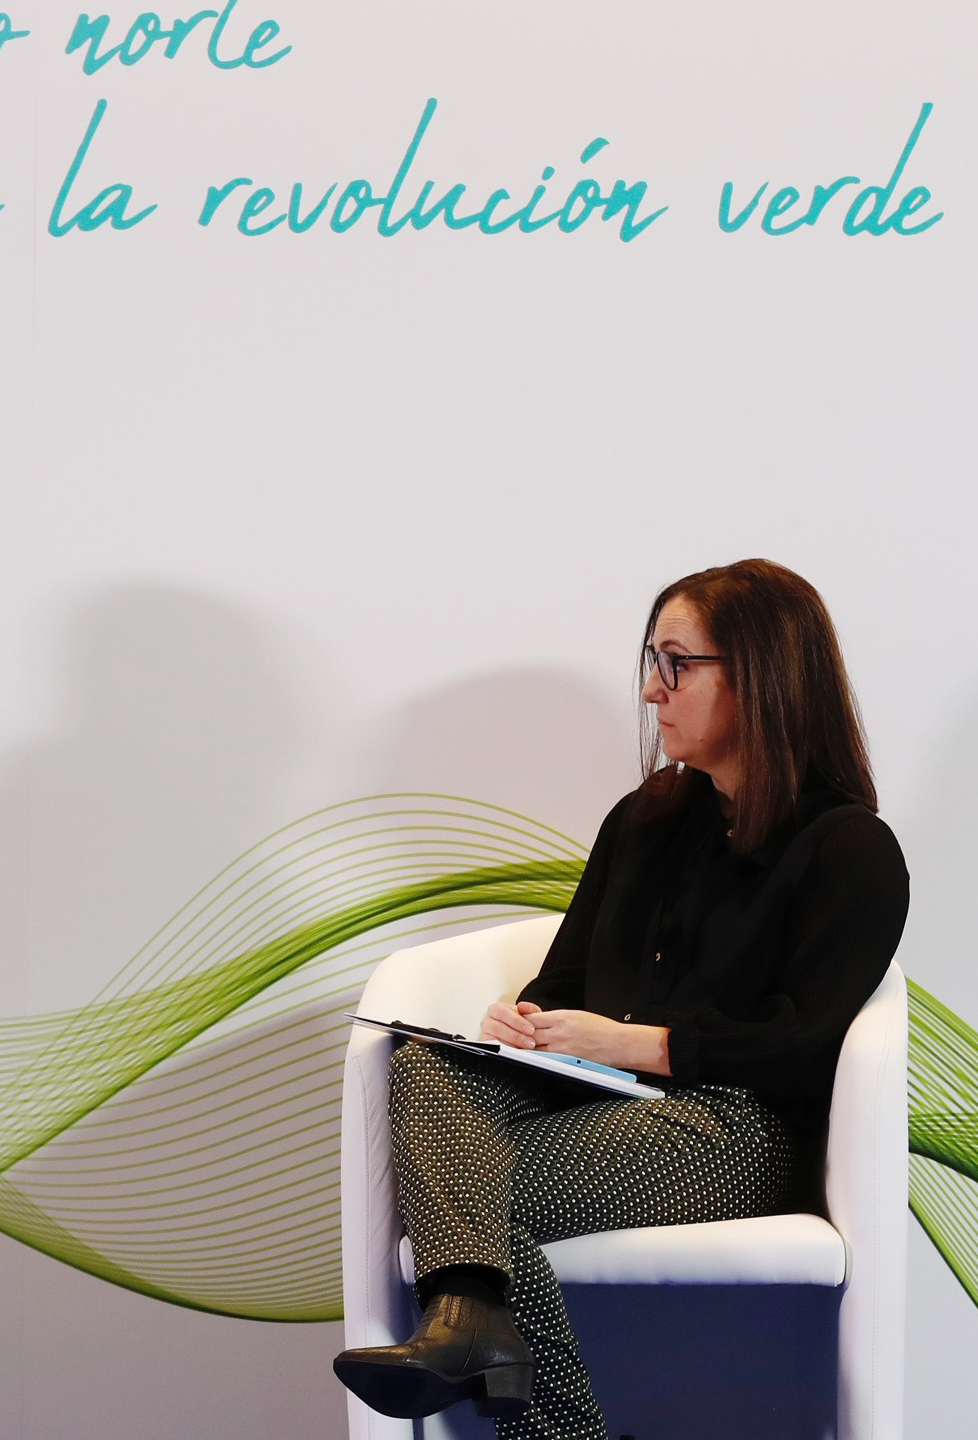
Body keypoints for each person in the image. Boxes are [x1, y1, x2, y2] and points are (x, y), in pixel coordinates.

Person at [332, 559, 909, 1440]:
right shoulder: (645, 818)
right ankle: (477, 1323)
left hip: (735, 1130)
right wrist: (526, 1022)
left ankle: (484, 1337)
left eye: (677, 664)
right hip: (591, 1099)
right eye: (652, 661)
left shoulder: (850, 849)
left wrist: (635, 1044)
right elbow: (563, 981)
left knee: (462, 1193)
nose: (651, 690)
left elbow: (803, 1046)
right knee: (426, 1068)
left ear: (762, 676)